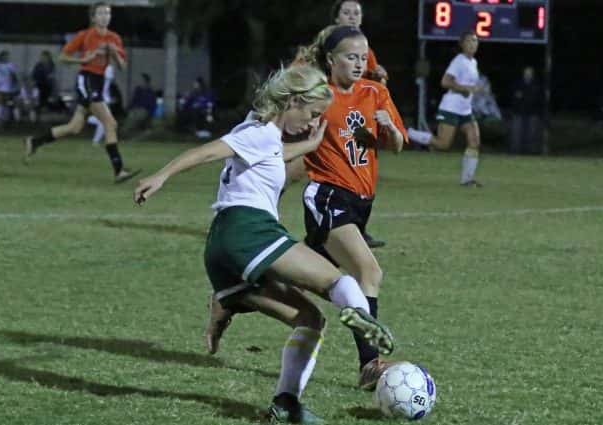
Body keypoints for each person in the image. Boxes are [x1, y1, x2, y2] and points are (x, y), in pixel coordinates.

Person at [133, 64, 395, 423]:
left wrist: (312, 142)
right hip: (249, 230)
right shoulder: (258, 132)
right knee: (342, 282)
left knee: (309, 320)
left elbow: (274, 156)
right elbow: (209, 151)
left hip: (220, 246)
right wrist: (161, 176)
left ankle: (284, 405)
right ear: (293, 101)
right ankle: (361, 317)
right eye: (312, 114)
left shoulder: (265, 135)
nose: (311, 122)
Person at [206, 25, 407, 393]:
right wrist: (265, 194)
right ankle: (370, 364)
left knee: (306, 279)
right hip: (328, 197)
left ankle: (232, 296)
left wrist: (385, 131)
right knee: (367, 272)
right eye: (351, 57)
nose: (359, 63)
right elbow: (284, 148)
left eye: (364, 57)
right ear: (331, 60)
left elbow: (397, 144)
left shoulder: (375, 92)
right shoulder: (319, 97)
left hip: (361, 202)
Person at [23, 2, 139, 183]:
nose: (105, 17)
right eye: (101, 13)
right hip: (87, 80)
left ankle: (35, 142)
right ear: (93, 17)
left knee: (74, 127)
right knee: (110, 123)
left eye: (108, 13)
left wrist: (114, 53)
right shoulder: (85, 36)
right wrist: (85, 58)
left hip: (98, 83)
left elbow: (122, 66)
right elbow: (62, 56)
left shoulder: (114, 38)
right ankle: (118, 170)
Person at [326, 0, 389, 248]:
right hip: (331, 111)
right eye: (346, 12)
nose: (352, 16)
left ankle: (357, 229)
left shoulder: (364, 46)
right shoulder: (328, 41)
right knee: (309, 166)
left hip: (358, 113)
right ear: (336, 17)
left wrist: (379, 76)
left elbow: (373, 75)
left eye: (356, 13)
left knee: (363, 164)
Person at [407, 32, 484, 187]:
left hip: (465, 109)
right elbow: (445, 81)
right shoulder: (459, 61)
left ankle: (467, 180)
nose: (473, 44)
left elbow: (469, 85)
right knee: (443, 144)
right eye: (469, 41)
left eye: (475, 41)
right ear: (462, 44)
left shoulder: (473, 62)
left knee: (474, 140)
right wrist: (464, 89)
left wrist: (475, 89)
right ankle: (408, 133)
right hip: (451, 107)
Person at [509, 66, 543, 155]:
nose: (528, 75)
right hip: (518, 112)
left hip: (532, 113)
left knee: (531, 134)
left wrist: (523, 96)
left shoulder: (536, 84)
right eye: (526, 73)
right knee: (516, 134)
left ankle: (530, 152)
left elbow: (536, 97)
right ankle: (515, 152)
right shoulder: (518, 83)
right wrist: (524, 96)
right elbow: (515, 96)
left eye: (530, 73)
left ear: (532, 74)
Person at [87, 64, 116, 145]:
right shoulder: (106, 67)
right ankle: (95, 141)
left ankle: (86, 120)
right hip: (100, 98)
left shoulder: (107, 67)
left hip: (104, 98)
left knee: (104, 121)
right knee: (105, 121)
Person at [120, 72, 157, 136]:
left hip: (144, 110)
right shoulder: (138, 90)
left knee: (133, 118)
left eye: (140, 80)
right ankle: (123, 133)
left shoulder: (150, 92)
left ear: (145, 81)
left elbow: (152, 105)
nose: (138, 82)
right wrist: (128, 109)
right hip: (135, 109)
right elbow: (133, 101)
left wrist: (150, 115)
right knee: (130, 116)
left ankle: (123, 133)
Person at [0, 50, 19, 127]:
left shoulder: (10, 65)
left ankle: (5, 119)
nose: (6, 57)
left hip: (8, 87)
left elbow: (14, 76)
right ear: (1, 56)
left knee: (7, 103)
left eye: (7, 56)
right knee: (0, 103)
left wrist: (15, 86)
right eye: (5, 56)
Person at [31, 50, 56, 114]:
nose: (43, 58)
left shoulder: (51, 65)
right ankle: (38, 109)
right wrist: (34, 81)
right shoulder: (38, 65)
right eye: (42, 57)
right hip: (39, 84)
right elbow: (34, 74)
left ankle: (43, 109)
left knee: (45, 98)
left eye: (44, 57)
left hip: (47, 85)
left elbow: (51, 75)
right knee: (39, 98)